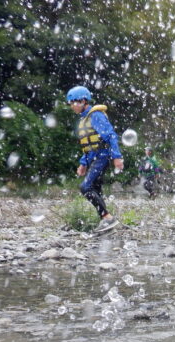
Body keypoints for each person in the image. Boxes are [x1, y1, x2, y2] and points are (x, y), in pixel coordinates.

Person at [66, 85, 123, 233]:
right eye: (71, 103)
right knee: (96, 189)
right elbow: (89, 146)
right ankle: (106, 222)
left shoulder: (95, 115)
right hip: (94, 158)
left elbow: (110, 136)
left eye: (76, 102)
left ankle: (108, 218)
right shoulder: (83, 120)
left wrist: (117, 157)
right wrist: (83, 163)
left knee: (86, 187)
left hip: (102, 157)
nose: (73, 106)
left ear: (84, 101)